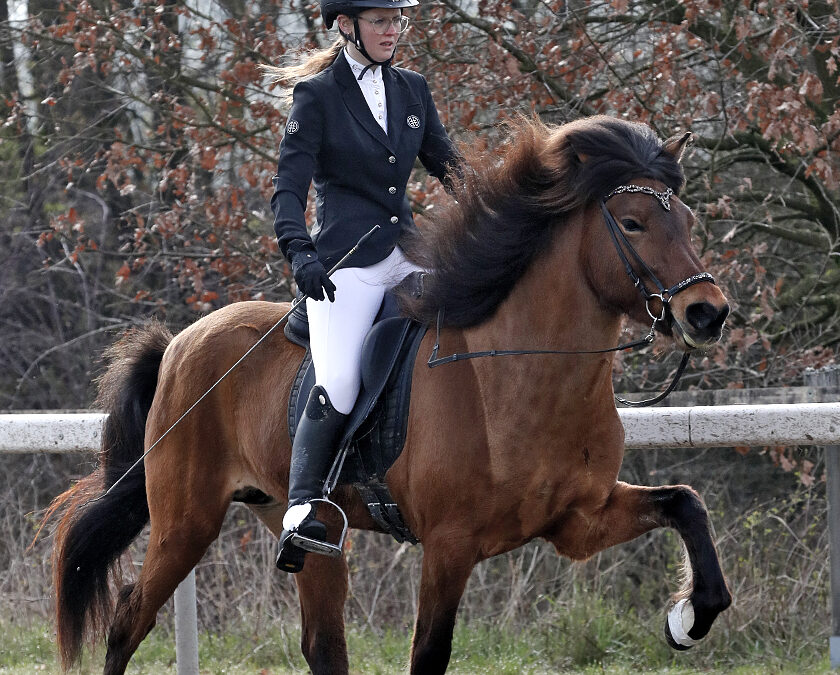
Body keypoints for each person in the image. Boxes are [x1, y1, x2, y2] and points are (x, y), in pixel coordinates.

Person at [268, 0, 460, 573]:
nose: (391, 30)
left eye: (397, 20)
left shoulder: (412, 89)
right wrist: (298, 250)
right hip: (344, 263)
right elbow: (287, 187)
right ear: (346, 25)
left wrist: (508, 209)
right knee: (342, 379)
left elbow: (448, 165)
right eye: (379, 20)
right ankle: (302, 508)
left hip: (405, 252)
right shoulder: (319, 96)